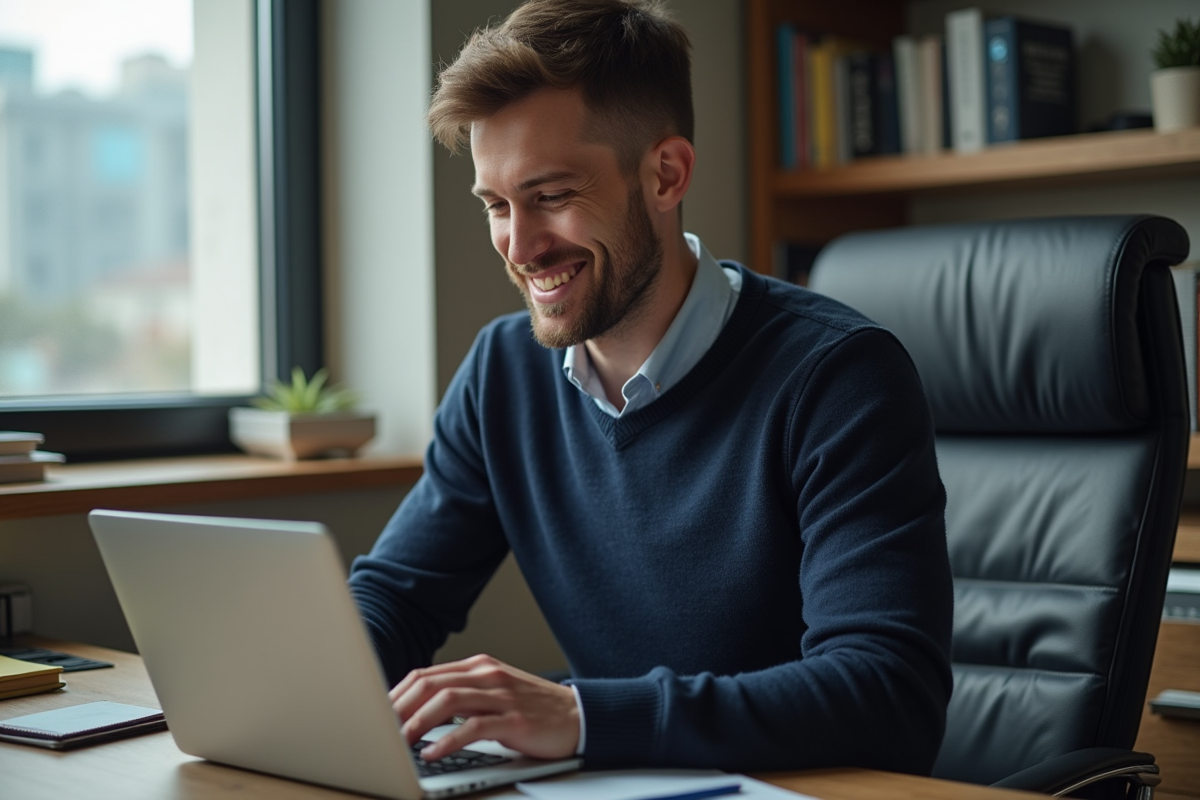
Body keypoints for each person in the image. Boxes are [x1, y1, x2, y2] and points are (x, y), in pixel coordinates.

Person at [349, 0, 953, 775]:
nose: (521, 246)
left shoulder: (838, 379)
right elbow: (396, 596)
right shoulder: (503, 372)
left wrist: (580, 715)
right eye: (497, 206)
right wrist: (300, 695)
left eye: (553, 195)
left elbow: (887, 697)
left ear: (666, 174)